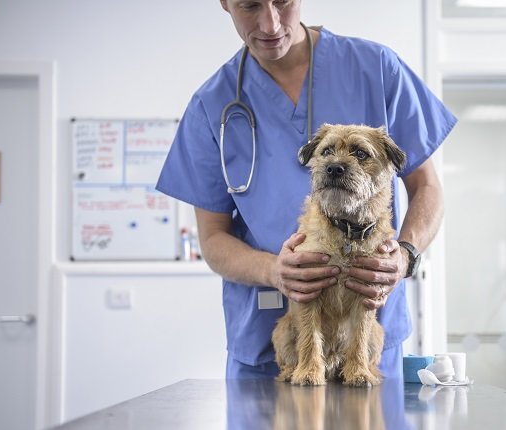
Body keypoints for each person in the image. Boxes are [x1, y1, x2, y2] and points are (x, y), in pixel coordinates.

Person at [156, 0, 456, 380]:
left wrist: (405, 255)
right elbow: (212, 238)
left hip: (365, 339)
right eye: (249, 6)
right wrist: (274, 271)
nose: (270, 23)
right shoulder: (210, 105)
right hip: (269, 342)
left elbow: (427, 185)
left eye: (283, 2)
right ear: (224, 3)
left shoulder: (376, 69)